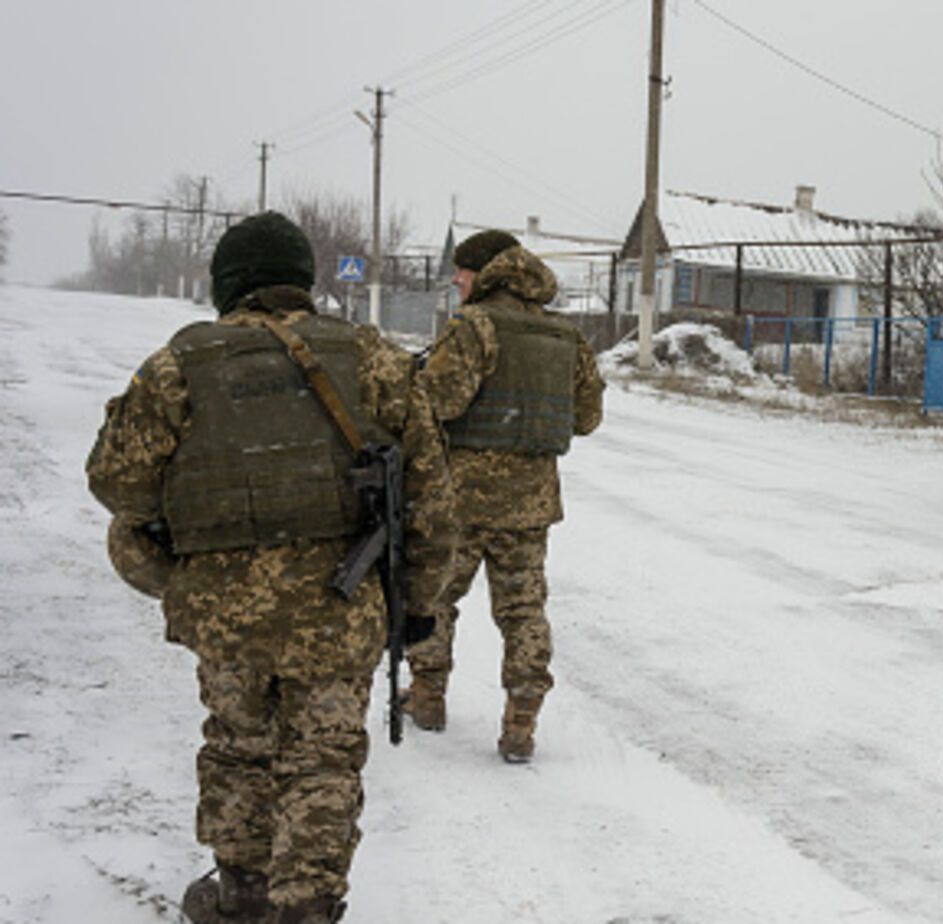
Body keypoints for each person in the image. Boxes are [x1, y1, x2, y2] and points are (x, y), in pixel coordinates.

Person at [87, 212, 453, 924]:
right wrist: (417, 604)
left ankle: (239, 892)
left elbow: (116, 484)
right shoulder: (374, 358)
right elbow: (432, 499)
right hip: (340, 607)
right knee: (323, 758)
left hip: (225, 612)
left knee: (237, 744)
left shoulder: (180, 363)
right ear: (302, 283)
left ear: (229, 284)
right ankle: (307, 906)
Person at [404, 229, 604, 763]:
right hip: (530, 505)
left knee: (436, 599)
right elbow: (587, 418)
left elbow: (439, 404)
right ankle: (521, 722)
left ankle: (426, 698)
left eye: (461, 273)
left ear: (486, 273)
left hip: (461, 500)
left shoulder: (473, 327)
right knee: (523, 611)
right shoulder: (566, 336)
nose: (454, 281)